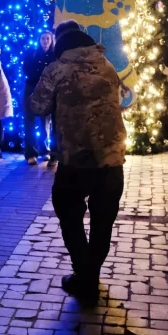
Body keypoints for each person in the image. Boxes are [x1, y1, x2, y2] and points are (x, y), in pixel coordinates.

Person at [31, 20, 128, 306]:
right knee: (102, 222)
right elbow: (120, 101)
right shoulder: (107, 66)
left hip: (76, 160)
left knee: (68, 213)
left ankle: (83, 275)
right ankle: (90, 277)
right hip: (111, 158)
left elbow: (37, 106)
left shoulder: (57, 69)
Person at [23, 30, 56, 165]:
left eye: (48, 39)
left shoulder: (54, 55)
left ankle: (45, 151)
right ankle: (31, 153)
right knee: (29, 121)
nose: (45, 41)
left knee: (45, 122)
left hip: (47, 90)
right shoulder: (32, 53)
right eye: (43, 38)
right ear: (39, 40)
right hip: (32, 87)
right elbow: (26, 68)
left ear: (51, 40)